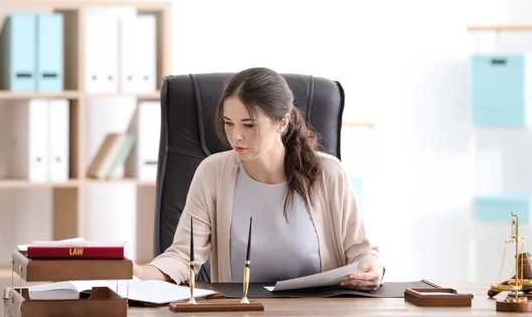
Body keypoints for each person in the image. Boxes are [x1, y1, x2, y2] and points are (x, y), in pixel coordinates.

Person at [133, 67, 385, 291]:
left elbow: (361, 252)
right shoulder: (212, 172)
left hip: (318, 310)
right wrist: (139, 273)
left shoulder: (328, 173)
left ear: (282, 123)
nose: (235, 136)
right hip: (243, 309)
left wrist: (372, 267)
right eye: (228, 123)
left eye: (248, 125)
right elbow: (182, 257)